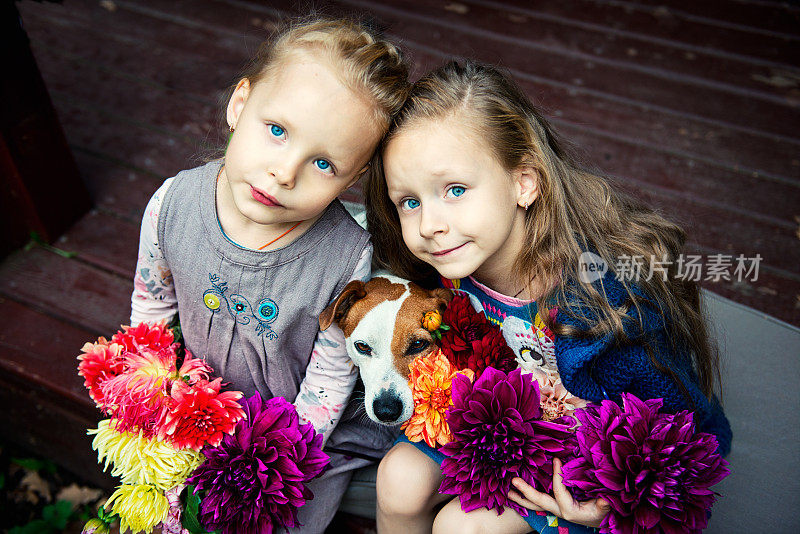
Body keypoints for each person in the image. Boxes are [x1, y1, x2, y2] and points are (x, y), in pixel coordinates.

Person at [364, 60, 732, 534]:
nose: (430, 224)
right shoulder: (445, 270)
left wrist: (606, 502)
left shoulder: (613, 304)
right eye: (409, 201)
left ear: (525, 182)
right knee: (398, 478)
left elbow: (684, 438)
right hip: (501, 436)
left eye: (454, 190)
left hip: (587, 472)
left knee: (464, 527)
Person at [129, 17, 410, 532]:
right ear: (240, 105)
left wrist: (270, 463)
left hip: (287, 446)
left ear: (355, 177)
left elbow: (329, 382)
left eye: (323, 164)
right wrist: (151, 401)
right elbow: (151, 310)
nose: (285, 172)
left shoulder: (345, 258)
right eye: (277, 131)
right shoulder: (172, 204)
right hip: (191, 410)